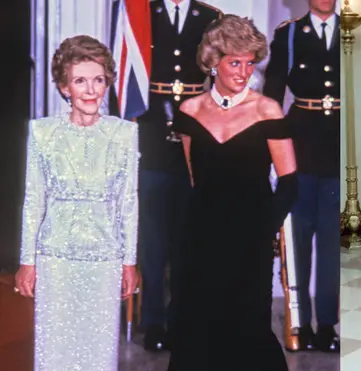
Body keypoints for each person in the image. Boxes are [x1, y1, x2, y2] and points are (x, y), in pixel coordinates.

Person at [165, 15, 296, 371]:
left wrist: (262, 228)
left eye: (250, 62)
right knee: (197, 323)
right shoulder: (189, 111)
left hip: (249, 238)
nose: (244, 72)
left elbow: (288, 184)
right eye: (234, 62)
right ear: (213, 63)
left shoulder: (267, 110)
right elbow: (195, 181)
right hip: (200, 239)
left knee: (248, 325)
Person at [13, 35, 139, 371]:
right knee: (55, 351)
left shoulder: (124, 133)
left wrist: (129, 261)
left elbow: (128, 202)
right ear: (64, 86)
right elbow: (33, 199)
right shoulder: (42, 133)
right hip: (55, 257)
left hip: (105, 258)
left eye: (98, 80)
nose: (91, 90)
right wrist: (28, 261)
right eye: (80, 81)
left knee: (98, 352)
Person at [133, 0, 221, 351]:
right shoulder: (143, 12)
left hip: (193, 140)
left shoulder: (209, 17)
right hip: (152, 138)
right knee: (153, 243)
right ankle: (153, 323)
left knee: (187, 240)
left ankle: (182, 320)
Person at [262, 0, 340, 352]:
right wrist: (267, 154)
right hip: (300, 150)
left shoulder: (349, 31)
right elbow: (272, 99)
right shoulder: (290, 34)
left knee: (331, 246)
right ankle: (299, 321)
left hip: (337, 150)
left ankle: (327, 325)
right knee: (298, 241)